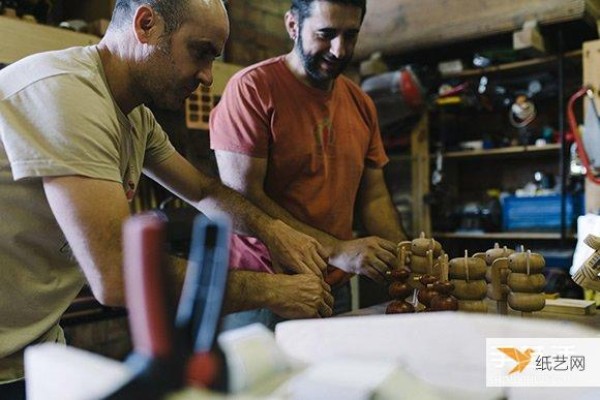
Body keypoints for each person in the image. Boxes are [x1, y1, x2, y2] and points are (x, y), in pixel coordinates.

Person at [0, 0, 333, 396]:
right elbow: (118, 275)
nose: (208, 77)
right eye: (200, 51)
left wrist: (275, 232)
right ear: (145, 24)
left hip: (33, 350)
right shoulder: (66, 92)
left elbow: (203, 190)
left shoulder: (133, 117)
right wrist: (273, 290)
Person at [210, 0, 408, 330]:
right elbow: (243, 198)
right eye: (326, 34)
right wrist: (339, 249)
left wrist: (405, 256)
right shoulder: (252, 90)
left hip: (332, 287)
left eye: (350, 36)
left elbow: (373, 197)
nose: (339, 50)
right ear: (292, 25)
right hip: (264, 289)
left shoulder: (361, 104)